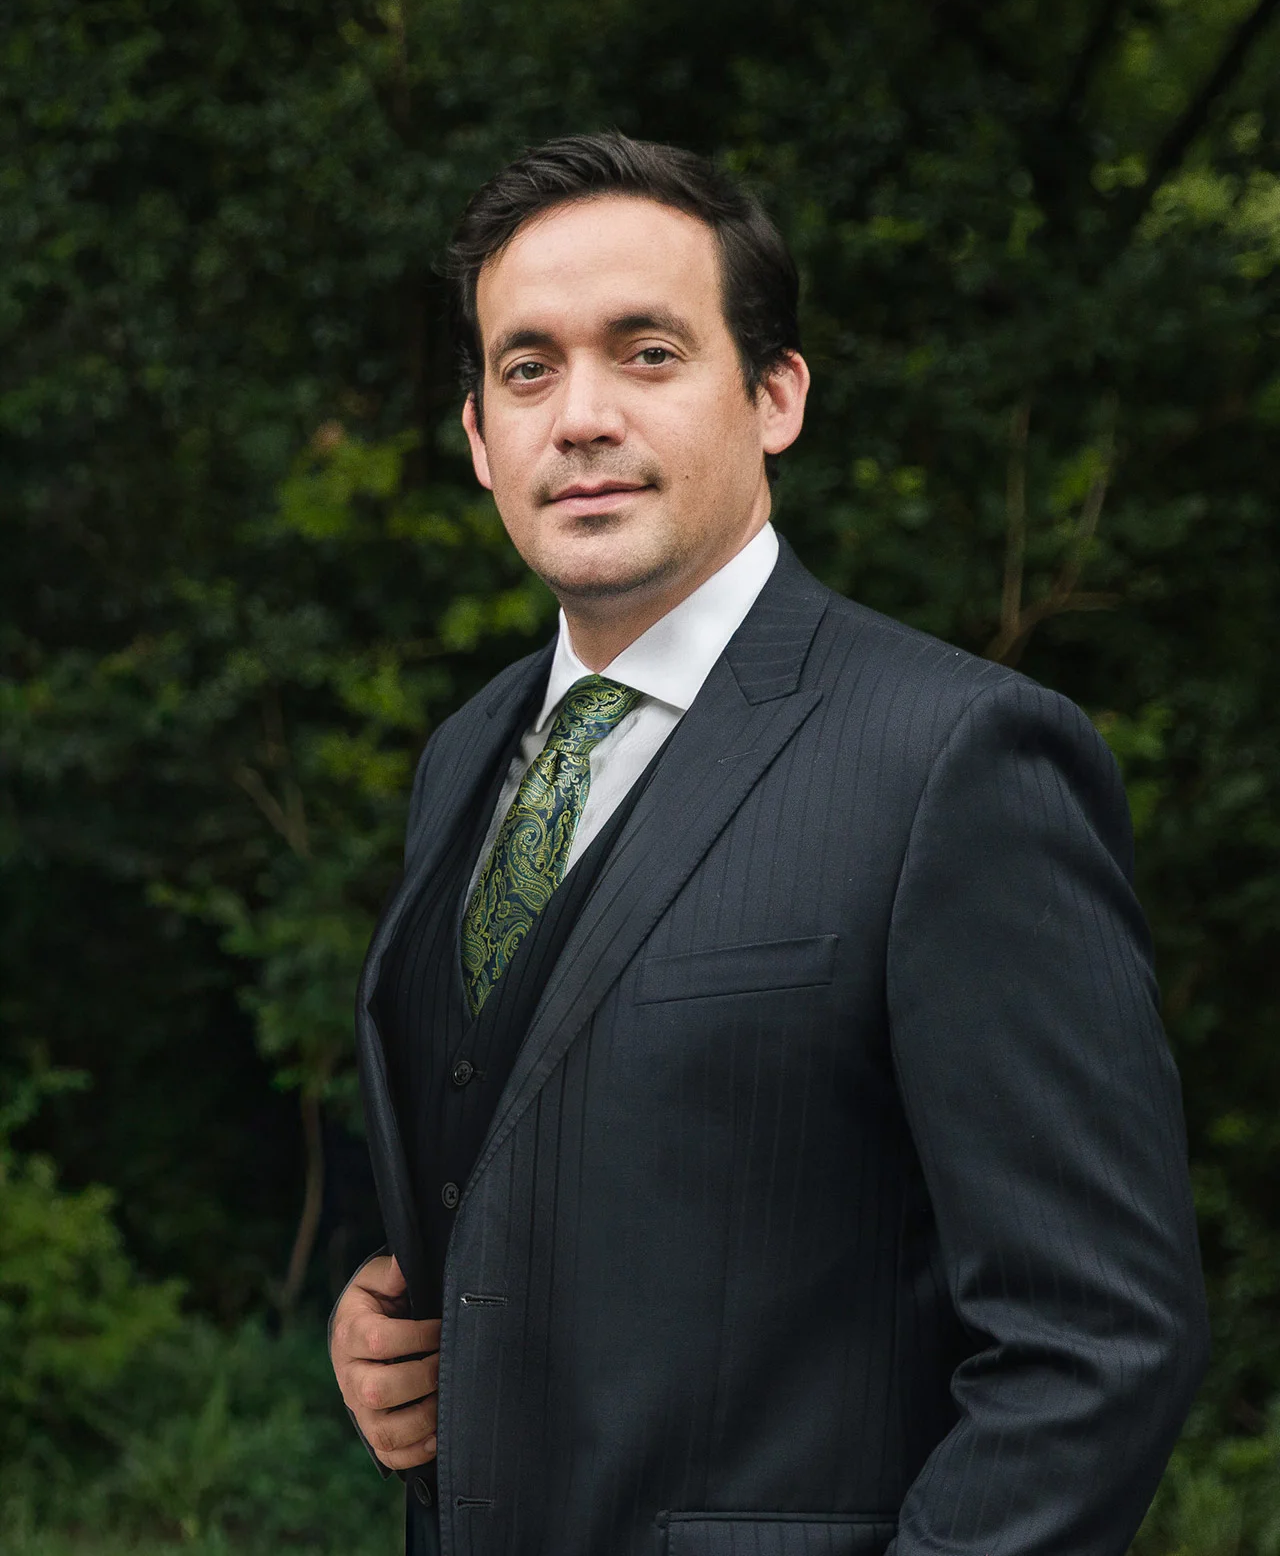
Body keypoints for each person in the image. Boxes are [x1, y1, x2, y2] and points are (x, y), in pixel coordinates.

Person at [329, 132, 1209, 1556]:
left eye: (649, 352)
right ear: (482, 435)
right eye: (529, 367)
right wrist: (396, 1335)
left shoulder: (955, 760)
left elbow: (1098, 1345)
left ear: (775, 394)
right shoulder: (466, 758)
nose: (583, 416)